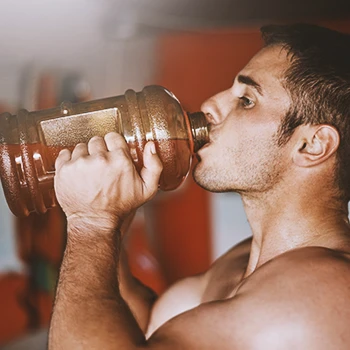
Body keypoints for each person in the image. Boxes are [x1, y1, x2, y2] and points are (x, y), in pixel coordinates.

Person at [48, 23, 350, 349]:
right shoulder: (246, 260)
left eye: (247, 99)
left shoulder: (328, 290)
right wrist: (112, 219)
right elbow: (148, 329)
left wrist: (91, 224)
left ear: (312, 145)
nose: (209, 105)